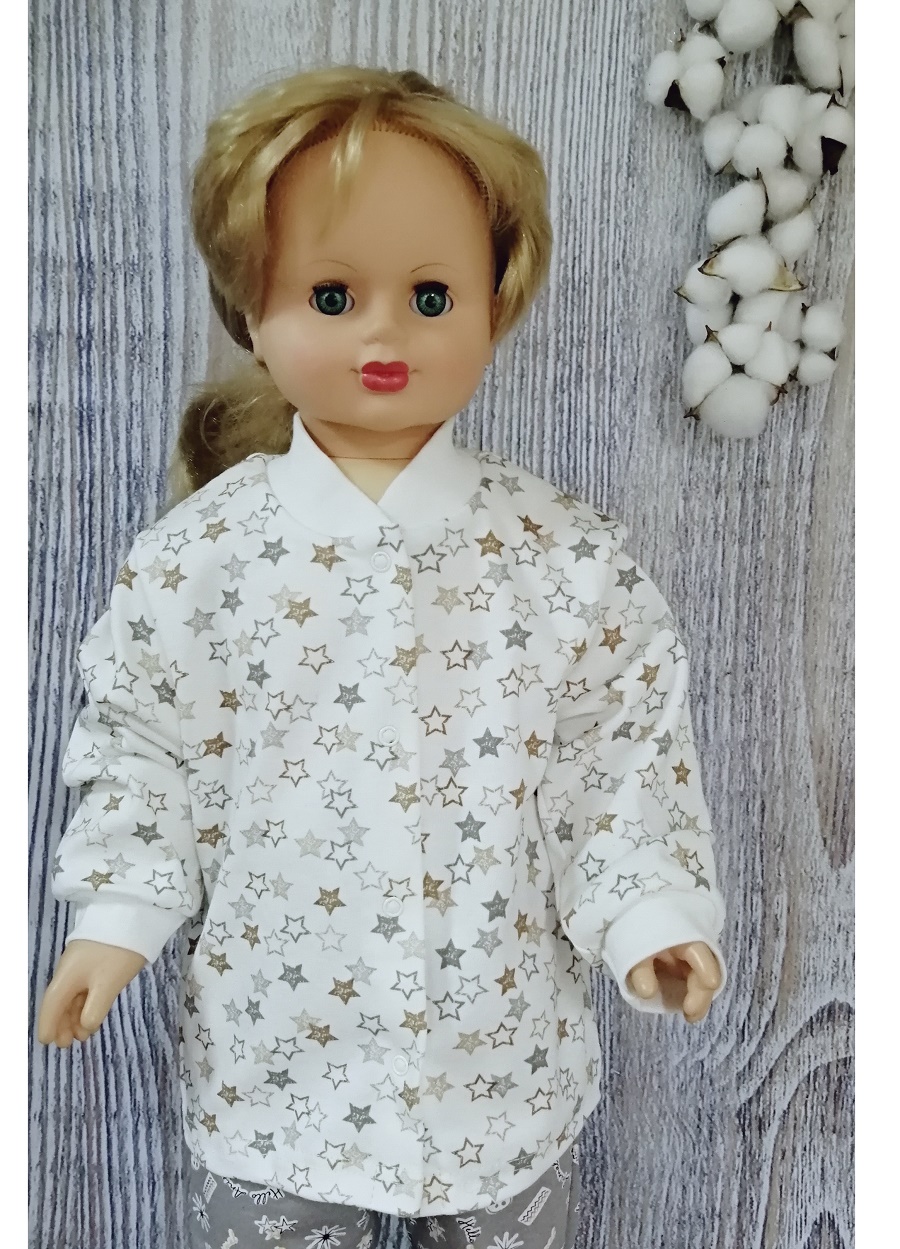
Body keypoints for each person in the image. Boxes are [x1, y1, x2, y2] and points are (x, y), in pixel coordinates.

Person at [38, 65, 727, 1248]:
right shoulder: (202, 556)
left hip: (499, 1069)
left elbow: (618, 754)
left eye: (429, 294)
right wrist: (117, 915)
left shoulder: (562, 557)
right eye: (331, 293)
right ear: (251, 307)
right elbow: (143, 745)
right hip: (277, 1062)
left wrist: (647, 913)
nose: (383, 332)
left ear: (493, 303)